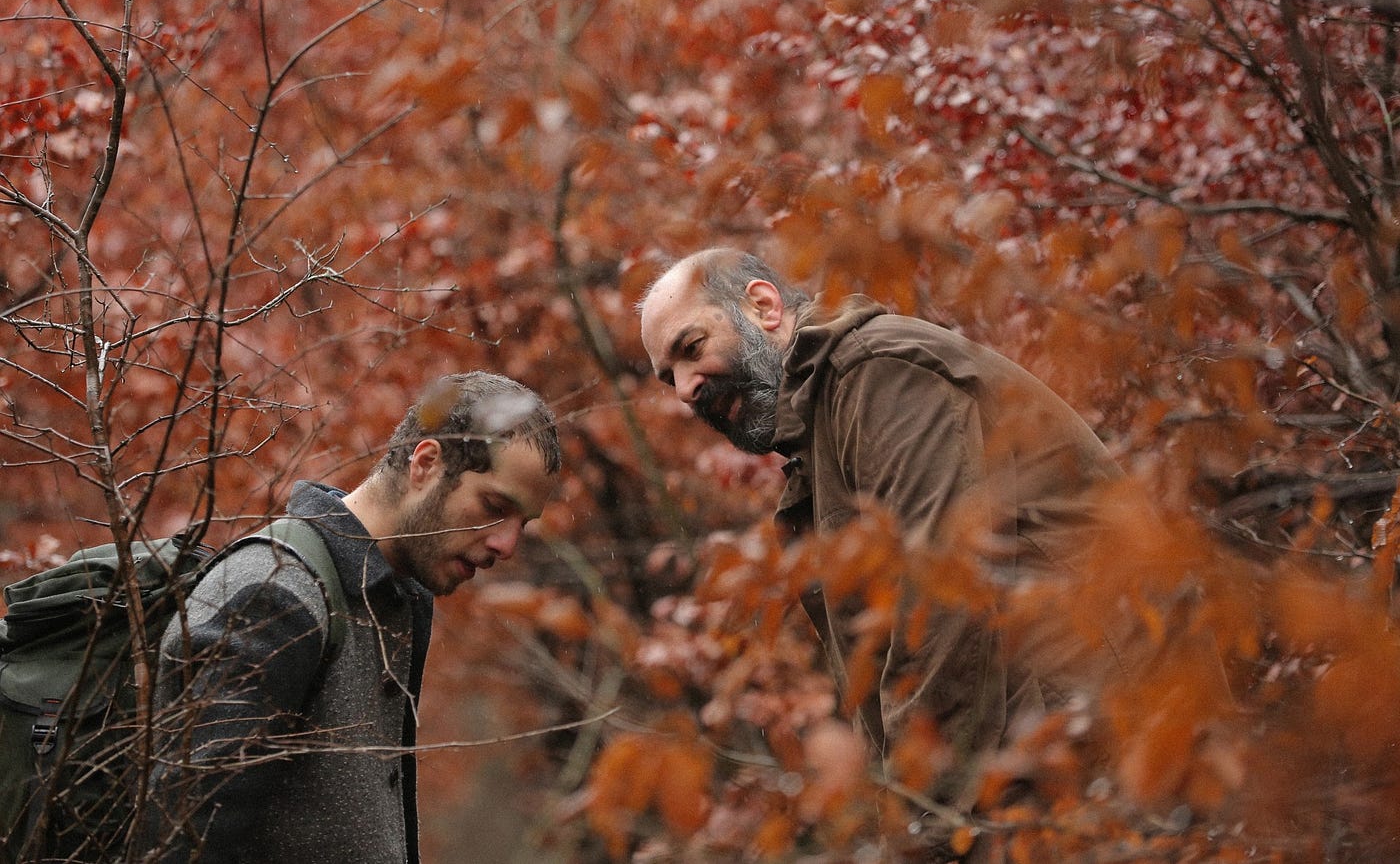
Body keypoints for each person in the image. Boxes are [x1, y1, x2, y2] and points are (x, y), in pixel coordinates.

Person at [638, 247, 1122, 808]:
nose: (685, 389)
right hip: (1049, 766)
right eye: (667, 377)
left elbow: (948, 604)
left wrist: (927, 819)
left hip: (1110, 749)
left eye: (691, 349)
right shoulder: (821, 437)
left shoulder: (877, 373)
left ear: (763, 307)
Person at [137, 371, 561, 863]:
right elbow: (183, 845)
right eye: (494, 507)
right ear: (425, 464)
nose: (506, 545)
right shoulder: (272, 595)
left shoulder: (393, 598)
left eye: (522, 524)